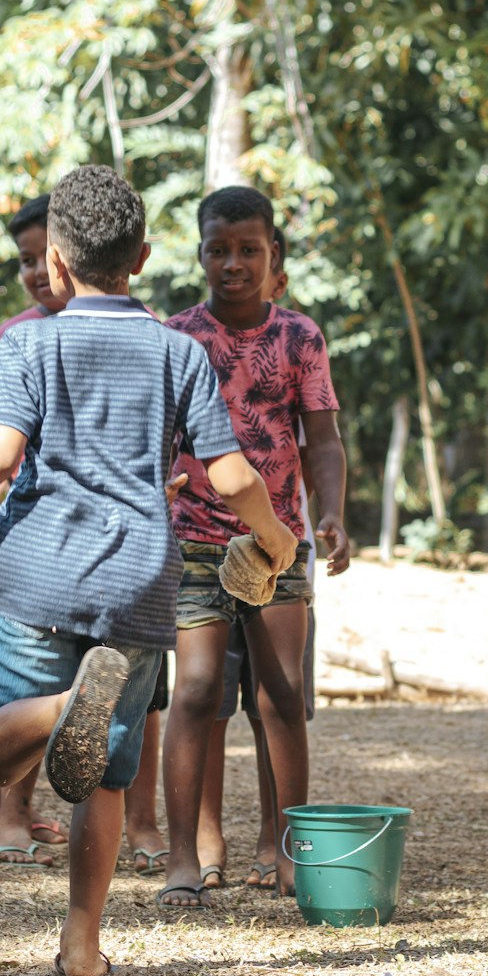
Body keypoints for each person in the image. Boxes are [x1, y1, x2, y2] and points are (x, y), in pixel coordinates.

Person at [0, 164, 295, 976]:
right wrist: (276, 540)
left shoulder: (28, 340)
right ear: (145, 257)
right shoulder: (178, 352)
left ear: (55, 263)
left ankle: (59, 706)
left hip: (36, 577)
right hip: (137, 581)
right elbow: (229, 475)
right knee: (107, 776)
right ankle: (83, 945)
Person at [158, 186, 349, 908]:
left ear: (276, 258)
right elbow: (161, 440)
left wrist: (329, 512)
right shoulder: (177, 338)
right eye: (218, 249)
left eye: (248, 250)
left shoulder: (300, 337)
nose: (232, 263)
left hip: (276, 543)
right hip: (195, 542)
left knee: (282, 696)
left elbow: (322, 439)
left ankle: (285, 846)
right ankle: (188, 853)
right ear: (200, 253)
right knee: (199, 691)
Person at [0, 194, 80, 868]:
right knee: (25, 683)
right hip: (30, 540)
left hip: (103, 547)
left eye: (47, 256)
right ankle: (13, 813)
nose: (36, 270)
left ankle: (139, 825)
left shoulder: (138, 331)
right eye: (24, 261)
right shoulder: (13, 337)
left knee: (123, 694)